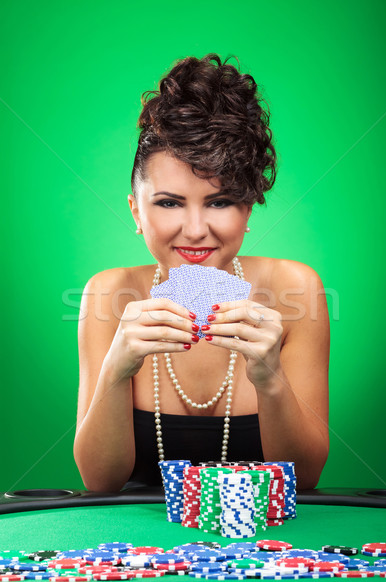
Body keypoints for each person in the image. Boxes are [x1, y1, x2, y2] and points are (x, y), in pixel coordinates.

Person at [73, 53, 330, 493]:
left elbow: (304, 480)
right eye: (169, 203)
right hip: (138, 550)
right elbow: (99, 482)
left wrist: (270, 379)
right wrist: (116, 369)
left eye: (220, 201)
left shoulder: (296, 288)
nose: (195, 231)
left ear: (247, 208)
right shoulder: (107, 293)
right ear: (136, 210)